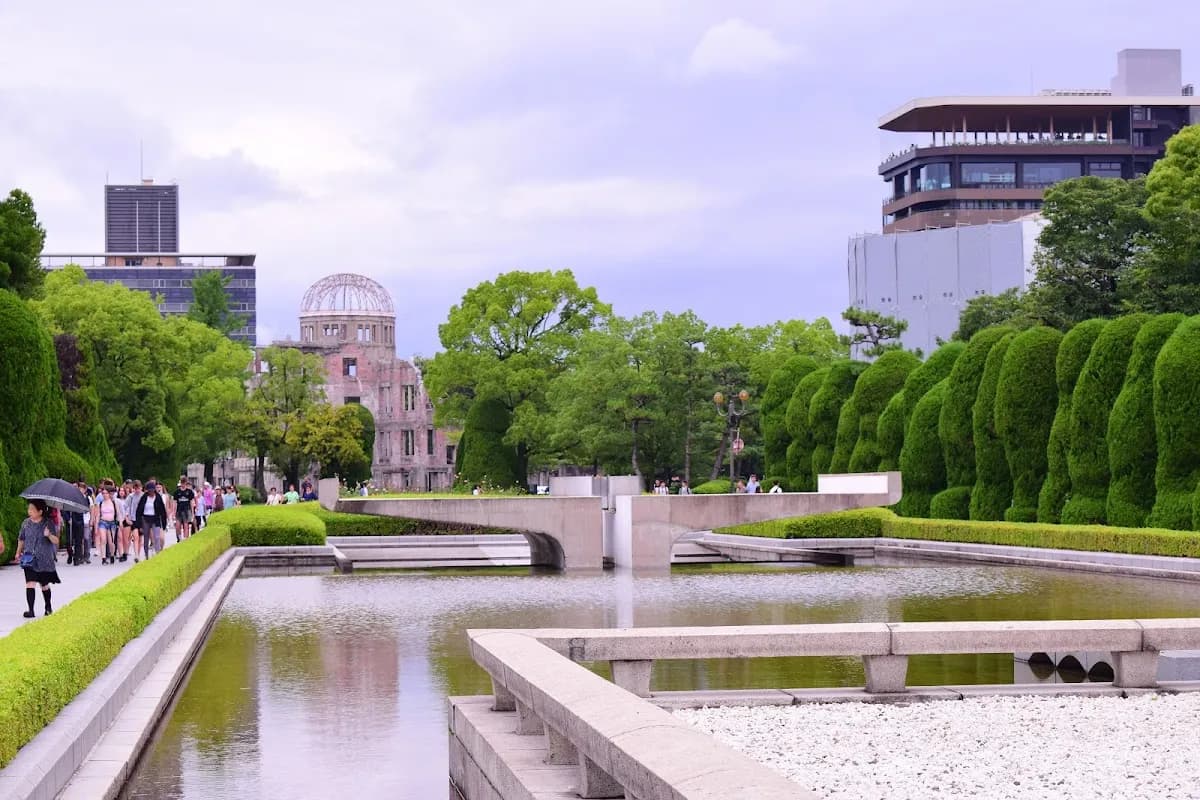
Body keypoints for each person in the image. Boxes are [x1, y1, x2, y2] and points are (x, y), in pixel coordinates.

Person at [14, 499, 61, 617]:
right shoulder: (26, 523)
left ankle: (48, 607)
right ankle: (31, 610)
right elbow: (21, 539)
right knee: (30, 583)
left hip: (44, 559)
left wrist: (48, 535)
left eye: (32, 509)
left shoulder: (48, 523)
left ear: (40, 511)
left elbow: (56, 541)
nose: (29, 511)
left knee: (44, 584)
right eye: (29, 509)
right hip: (29, 558)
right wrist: (18, 552)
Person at [135, 481, 168, 559]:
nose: (151, 492)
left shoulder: (158, 497)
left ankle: (157, 554)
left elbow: (163, 511)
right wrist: (139, 524)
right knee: (146, 537)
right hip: (145, 518)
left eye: (152, 490)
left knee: (157, 537)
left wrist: (164, 524)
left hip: (155, 518)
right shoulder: (144, 497)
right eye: (149, 490)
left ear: (154, 490)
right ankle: (146, 555)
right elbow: (139, 511)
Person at [93, 482, 123, 564]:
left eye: (106, 493)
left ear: (109, 494)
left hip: (112, 523)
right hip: (103, 522)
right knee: (103, 539)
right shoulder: (101, 503)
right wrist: (96, 526)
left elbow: (118, 513)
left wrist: (120, 522)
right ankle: (103, 558)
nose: (104, 495)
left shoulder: (114, 502)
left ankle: (112, 555)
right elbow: (98, 515)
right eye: (103, 493)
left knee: (111, 542)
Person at [173, 477, 196, 542]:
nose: (183, 484)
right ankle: (179, 538)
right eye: (182, 483)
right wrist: (173, 512)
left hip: (187, 510)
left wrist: (192, 512)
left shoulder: (189, 492)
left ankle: (186, 539)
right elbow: (174, 503)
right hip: (179, 510)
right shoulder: (177, 492)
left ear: (186, 483)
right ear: (180, 483)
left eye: (184, 483)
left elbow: (192, 502)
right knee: (177, 526)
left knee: (186, 525)